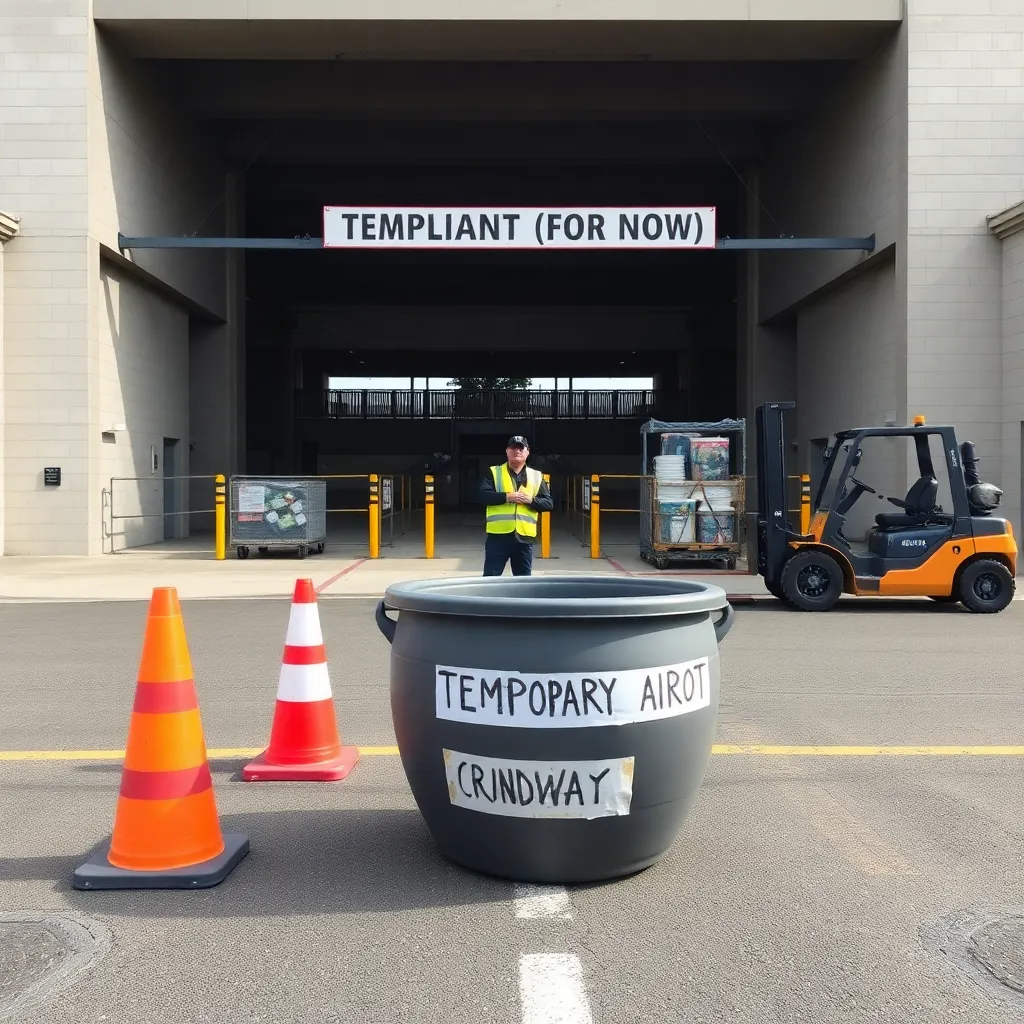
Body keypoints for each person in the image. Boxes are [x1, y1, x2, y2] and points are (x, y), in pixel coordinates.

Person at [479, 435, 554, 577]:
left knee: (524, 582)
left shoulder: (536, 476)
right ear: (507, 451)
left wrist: (530, 500)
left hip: (524, 538)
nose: (517, 451)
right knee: (490, 580)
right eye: (513, 448)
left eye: (521, 448)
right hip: (498, 537)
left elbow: (548, 503)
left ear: (527, 452)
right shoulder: (494, 472)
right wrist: (507, 497)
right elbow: (483, 496)